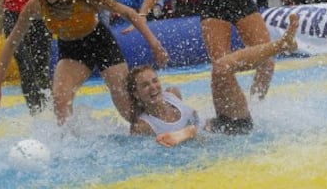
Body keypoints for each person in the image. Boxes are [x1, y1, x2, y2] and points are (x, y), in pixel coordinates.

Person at [0, 0, 168, 126]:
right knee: (60, 102)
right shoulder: (35, 6)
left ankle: (165, 116)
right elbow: (11, 44)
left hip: (100, 42)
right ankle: (71, 147)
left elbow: (128, 13)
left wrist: (155, 44)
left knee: (128, 110)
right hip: (71, 48)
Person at [124, 0, 276, 134]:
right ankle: (225, 116)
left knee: (267, 60)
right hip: (212, 0)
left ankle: (256, 103)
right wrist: (143, 12)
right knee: (220, 67)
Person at [127, 14, 299, 145]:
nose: (153, 87)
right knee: (221, 68)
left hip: (222, 125)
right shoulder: (143, 126)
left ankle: (282, 44)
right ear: (135, 93)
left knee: (221, 67)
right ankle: (282, 45)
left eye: (154, 81)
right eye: (144, 85)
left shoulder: (172, 94)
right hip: (231, 134)